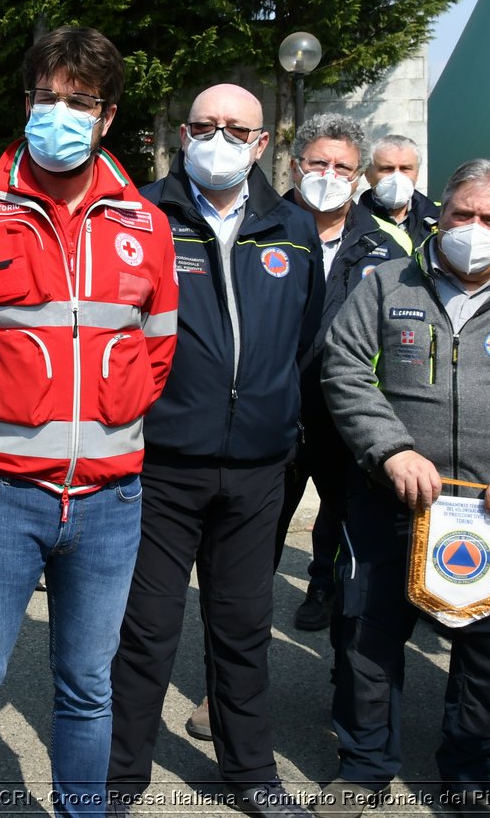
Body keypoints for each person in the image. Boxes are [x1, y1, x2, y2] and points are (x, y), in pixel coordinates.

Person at [0, 27, 179, 817]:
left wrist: (111, 435)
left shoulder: (147, 223)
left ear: (107, 116)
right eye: (46, 97)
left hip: (111, 503)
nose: (59, 113)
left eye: (80, 101)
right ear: (27, 101)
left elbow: (157, 350)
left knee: (88, 689)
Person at [317, 159, 490, 818]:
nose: (472, 228)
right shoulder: (389, 282)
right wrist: (389, 447)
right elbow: (344, 368)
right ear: (440, 212)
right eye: (461, 214)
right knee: (366, 632)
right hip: (391, 496)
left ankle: (470, 772)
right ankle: (363, 767)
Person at [108, 84, 322, 818]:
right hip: (163, 462)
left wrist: (276, 420)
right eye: (206, 126)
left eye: (237, 128)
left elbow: (305, 341)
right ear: (180, 133)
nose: (220, 139)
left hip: (259, 468)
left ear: (264, 143)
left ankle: (251, 774)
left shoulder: (293, 227)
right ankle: (120, 778)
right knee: (146, 633)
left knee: (243, 630)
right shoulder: (138, 217)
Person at [277, 114, 412, 633]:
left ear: (359, 177)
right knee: (247, 561)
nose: (330, 175)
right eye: (319, 163)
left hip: (348, 426)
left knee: (353, 551)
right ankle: (227, 694)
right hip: (272, 421)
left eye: (343, 167)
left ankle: (347, 683)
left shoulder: (390, 248)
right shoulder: (255, 229)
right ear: (295, 166)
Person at [358, 134, 440, 245]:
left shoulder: (440, 217)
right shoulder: (351, 221)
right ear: (367, 174)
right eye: (387, 169)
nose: (397, 177)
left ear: (417, 174)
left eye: (405, 168)